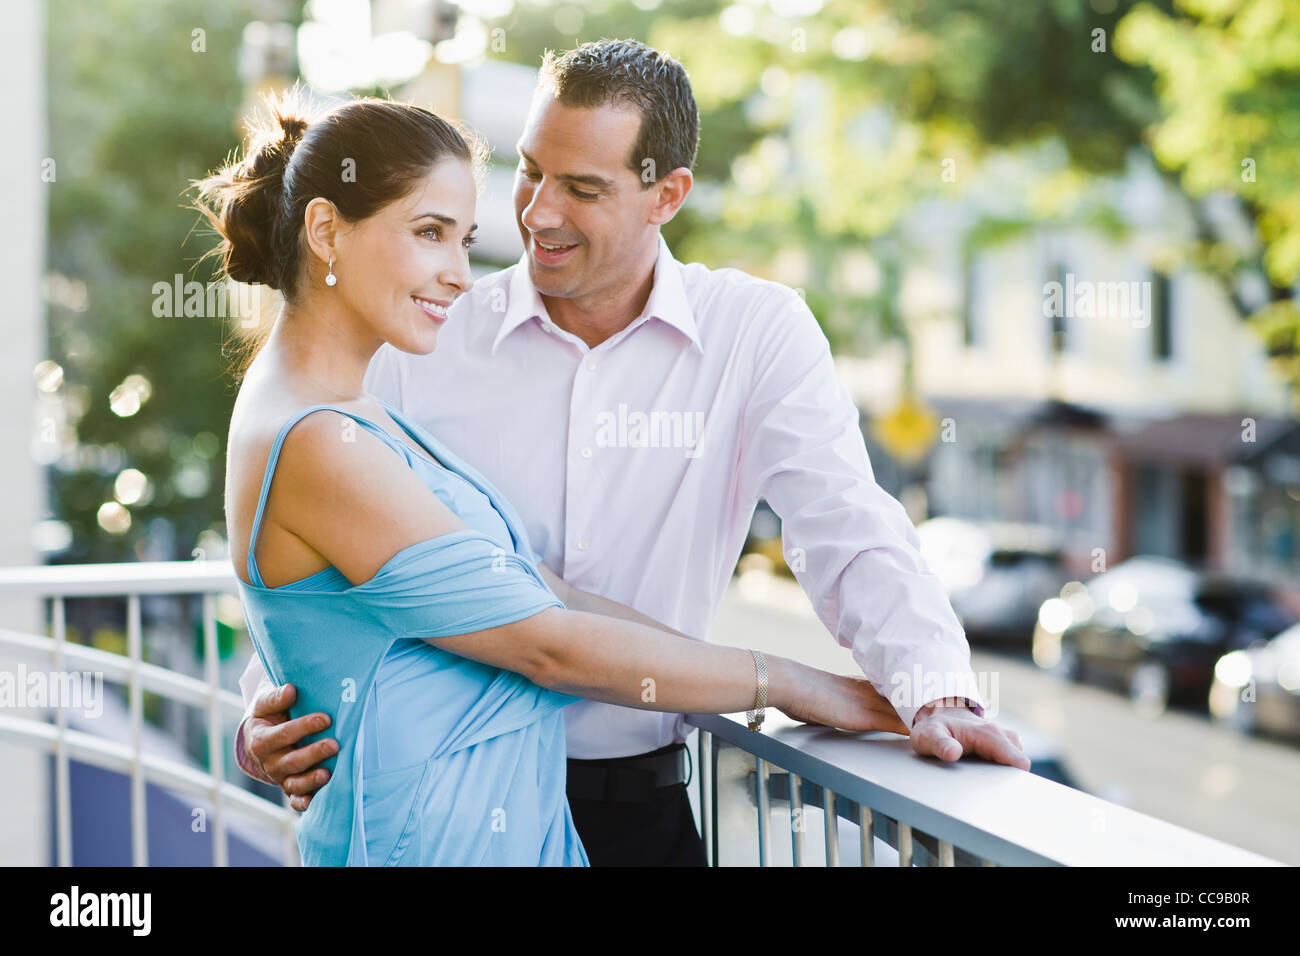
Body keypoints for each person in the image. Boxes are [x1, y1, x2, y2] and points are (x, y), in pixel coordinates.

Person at [234, 41, 1031, 867]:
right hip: (444, 810)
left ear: (667, 195)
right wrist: (264, 705)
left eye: (582, 188)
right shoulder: (421, 322)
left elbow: (848, 525)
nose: (539, 213)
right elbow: (327, 562)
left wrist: (930, 687)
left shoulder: (755, 334)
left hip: (637, 807)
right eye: (531, 172)